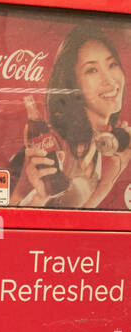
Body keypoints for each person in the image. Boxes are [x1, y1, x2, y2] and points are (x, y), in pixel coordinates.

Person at [10, 24, 131, 209]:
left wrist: (117, 166)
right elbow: (6, 216)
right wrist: (113, 173)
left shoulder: (104, 144)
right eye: (92, 70)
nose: (110, 80)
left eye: (112, 64)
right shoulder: (51, 144)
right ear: (73, 84)